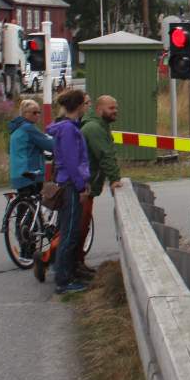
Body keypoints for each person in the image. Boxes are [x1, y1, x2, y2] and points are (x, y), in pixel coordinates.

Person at [46, 89, 91, 294]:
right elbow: (73, 162)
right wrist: (81, 185)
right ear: (79, 105)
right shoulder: (69, 130)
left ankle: (65, 273)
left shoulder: (68, 128)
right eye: (86, 103)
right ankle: (63, 281)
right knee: (69, 233)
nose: (87, 106)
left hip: (69, 182)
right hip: (70, 185)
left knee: (69, 231)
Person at [77, 93, 123, 279]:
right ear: (99, 109)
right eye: (111, 108)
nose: (115, 111)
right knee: (79, 227)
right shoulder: (95, 129)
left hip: (88, 186)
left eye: (116, 107)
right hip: (85, 187)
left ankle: (77, 262)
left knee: (83, 226)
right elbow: (105, 155)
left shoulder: (99, 126)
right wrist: (114, 178)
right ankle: (63, 262)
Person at [7, 99, 54, 193]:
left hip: (17, 173)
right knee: (38, 203)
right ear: (25, 113)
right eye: (34, 112)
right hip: (30, 173)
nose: (38, 115)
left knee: (24, 204)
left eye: (39, 112)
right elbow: (50, 144)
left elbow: (26, 149)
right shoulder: (28, 128)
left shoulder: (16, 129)